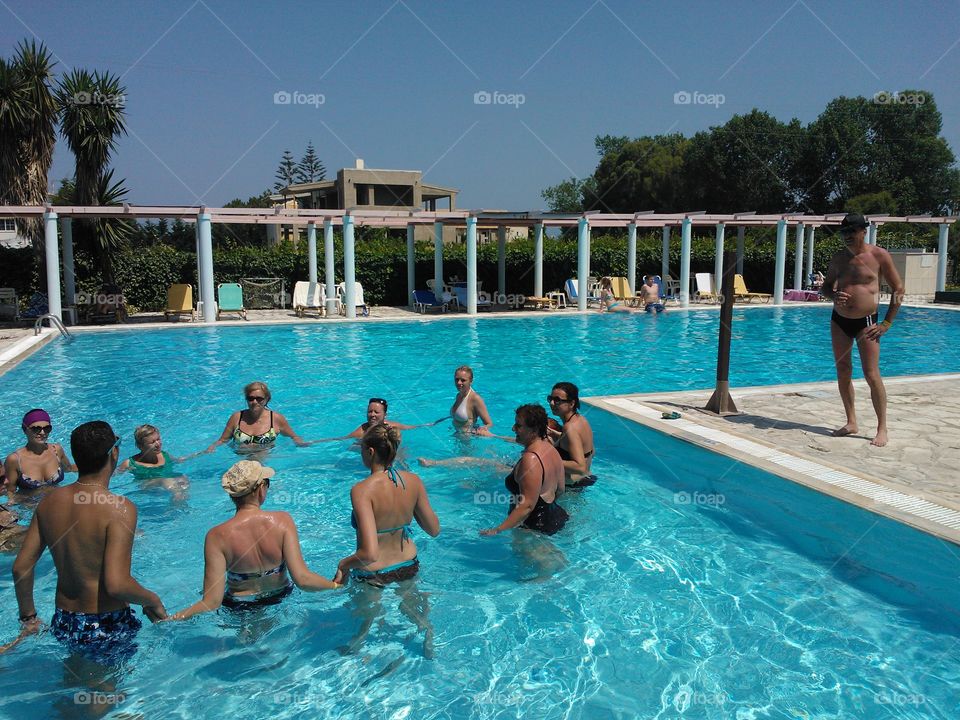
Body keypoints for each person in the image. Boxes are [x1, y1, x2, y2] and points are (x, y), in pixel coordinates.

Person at [12, 420, 167, 662]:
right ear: (113, 453)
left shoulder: (49, 503)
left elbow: (21, 567)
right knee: (105, 694)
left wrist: (29, 618)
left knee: (75, 685)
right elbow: (117, 584)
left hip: (65, 620)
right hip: (105, 622)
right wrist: (152, 600)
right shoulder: (119, 508)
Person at [170, 460, 339, 618]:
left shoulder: (216, 536)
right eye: (267, 483)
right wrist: (336, 586)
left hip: (239, 606)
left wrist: (173, 618)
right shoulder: (282, 521)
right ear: (260, 489)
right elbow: (303, 579)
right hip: (281, 598)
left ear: (231, 495)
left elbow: (211, 602)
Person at [822, 213, 904, 447]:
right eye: (843, 233)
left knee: (871, 373)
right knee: (843, 369)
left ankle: (882, 428)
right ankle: (851, 421)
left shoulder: (879, 255)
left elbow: (898, 288)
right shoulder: (838, 258)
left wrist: (887, 322)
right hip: (839, 320)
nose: (847, 236)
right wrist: (833, 295)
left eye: (851, 232)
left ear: (862, 231)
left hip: (867, 322)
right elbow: (827, 288)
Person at [334, 423, 440, 586]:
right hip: (408, 565)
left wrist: (343, 565)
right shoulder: (414, 481)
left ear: (370, 452)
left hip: (374, 573)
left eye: (362, 450)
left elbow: (369, 554)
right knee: (416, 612)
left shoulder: (361, 490)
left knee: (366, 612)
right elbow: (434, 530)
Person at [480, 404, 568, 536]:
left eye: (518, 425)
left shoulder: (530, 459)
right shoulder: (552, 450)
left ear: (534, 430)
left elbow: (527, 506)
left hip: (533, 528)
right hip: (556, 515)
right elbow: (560, 489)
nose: (513, 428)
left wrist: (497, 530)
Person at [207, 381, 309, 453]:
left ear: (267, 399)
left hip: (264, 458)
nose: (254, 402)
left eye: (259, 399)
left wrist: (299, 442)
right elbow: (223, 440)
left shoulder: (276, 419)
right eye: (250, 398)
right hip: (239, 458)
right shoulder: (236, 418)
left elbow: (293, 436)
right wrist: (213, 446)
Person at [2, 409, 76, 504]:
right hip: (30, 509)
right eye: (36, 428)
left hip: (57, 503)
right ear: (25, 430)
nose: (42, 433)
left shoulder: (56, 450)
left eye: (47, 428)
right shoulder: (14, 460)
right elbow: (10, 491)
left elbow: (69, 469)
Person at [117, 425, 196, 501]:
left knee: (182, 477)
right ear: (140, 446)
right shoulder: (130, 463)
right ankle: (177, 499)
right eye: (152, 442)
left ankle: (178, 502)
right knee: (165, 480)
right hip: (148, 488)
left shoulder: (165, 455)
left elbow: (179, 460)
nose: (158, 444)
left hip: (167, 486)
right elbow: (112, 475)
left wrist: (204, 452)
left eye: (158, 439)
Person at [546, 382, 596, 488]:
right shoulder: (581, 420)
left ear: (572, 403)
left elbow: (580, 467)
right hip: (584, 480)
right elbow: (591, 451)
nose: (552, 403)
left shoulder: (569, 428)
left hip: (570, 487)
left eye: (557, 400)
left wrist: (548, 459)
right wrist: (558, 436)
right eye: (550, 398)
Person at [344, 397, 428, 439]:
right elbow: (343, 439)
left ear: (385, 415)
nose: (372, 414)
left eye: (376, 412)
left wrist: (429, 424)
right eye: (370, 411)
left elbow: (411, 427)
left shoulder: (391, 425)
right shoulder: (361, 432)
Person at [449, 366, 494, 434]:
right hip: (456, 434)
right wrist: (436, 422)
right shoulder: (458, 395)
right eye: (457, 379)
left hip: (468, 440)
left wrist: (481, 429)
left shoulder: (475, 398)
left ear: (471, 381)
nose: (459, 382)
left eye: (463, 380)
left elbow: (489, 423)